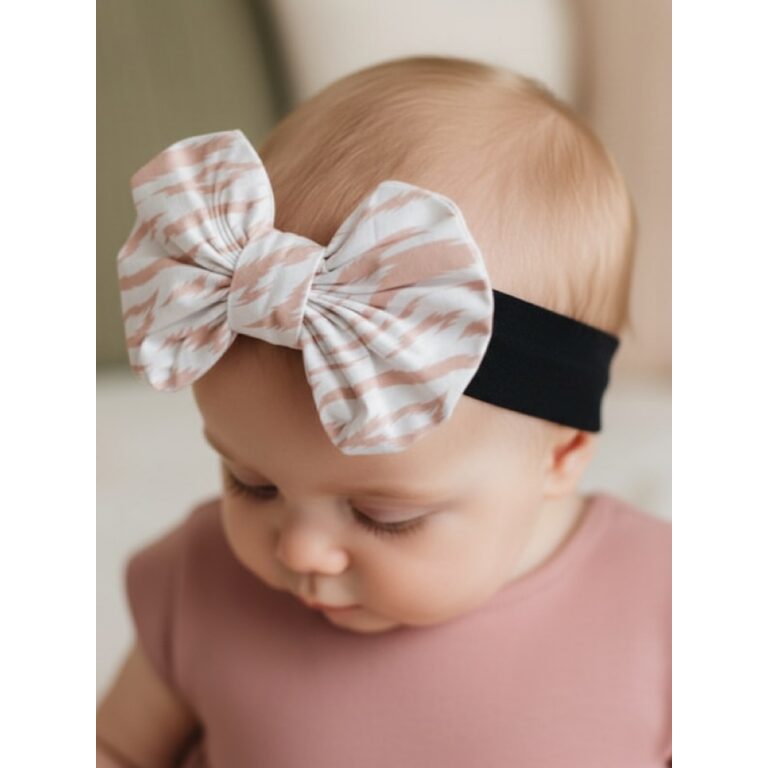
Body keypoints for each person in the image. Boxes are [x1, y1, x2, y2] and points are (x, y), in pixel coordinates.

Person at [96, 55, 671, 768]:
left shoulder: (668, 609)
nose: (300, 550)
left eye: (383, 515)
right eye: (252, 483)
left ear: (561, 454)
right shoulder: (203, 581)